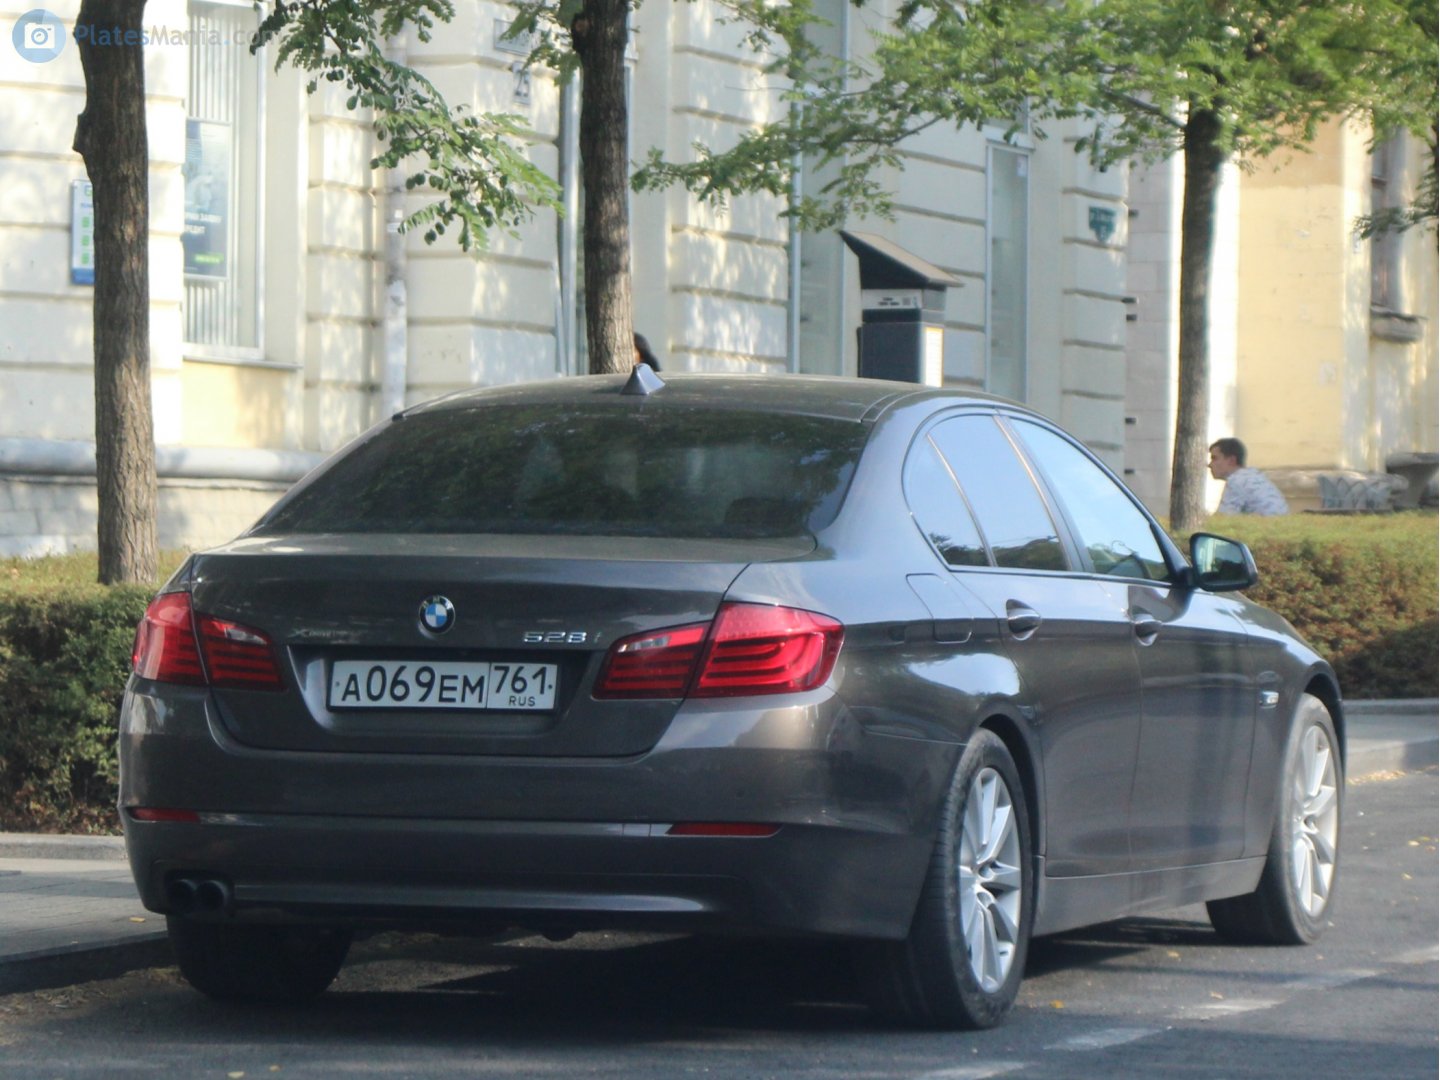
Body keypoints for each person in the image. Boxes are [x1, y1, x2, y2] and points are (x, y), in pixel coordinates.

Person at [1208, 437, 1289, 515]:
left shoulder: (1236, 481)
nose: (1209, 465)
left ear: (1231, 460)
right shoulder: (1254, 476)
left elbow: (1222, 518)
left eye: (1214, 458)